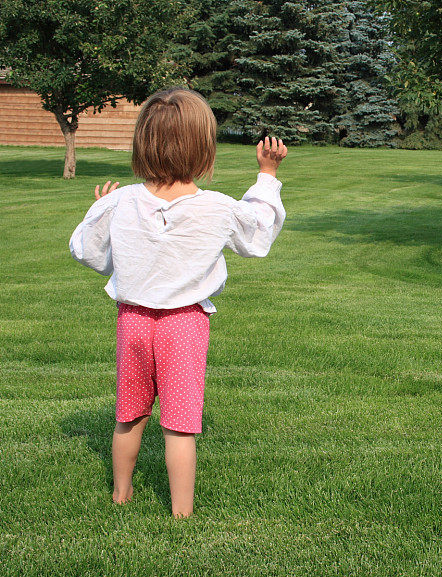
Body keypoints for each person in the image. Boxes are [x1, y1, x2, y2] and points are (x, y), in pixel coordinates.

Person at [69, 87, 287, 518]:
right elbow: (258, 235)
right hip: (184, 325)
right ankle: (182, 514)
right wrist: (267, 175)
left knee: (129, 412)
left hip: (131, 320)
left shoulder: (120, 201)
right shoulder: (218, 208)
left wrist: (100, 213)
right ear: (203, 148)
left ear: (142, 143)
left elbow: (87, 251)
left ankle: (121, 495)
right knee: (180, 423)